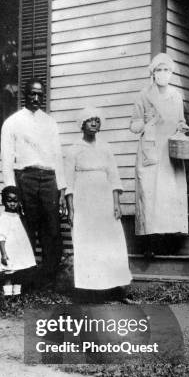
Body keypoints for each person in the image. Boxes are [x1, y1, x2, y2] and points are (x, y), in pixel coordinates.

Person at [0, 78, 66, 288]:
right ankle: (25, 280)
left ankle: (49, 278)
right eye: (32, 94)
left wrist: (62, 189)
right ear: (25, 95)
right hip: (25, 178)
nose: (36, 98)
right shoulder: (12, 122)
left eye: (40, 95)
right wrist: (11, 188)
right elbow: (7, 159)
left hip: (49, 179)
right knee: (26, 227)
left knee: (52, 228)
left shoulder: (50, 123)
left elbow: (58, 157)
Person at [65, 106, 131, 293]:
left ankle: (112, 287)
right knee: (88, 242)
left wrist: (116, 203)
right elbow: (69, 183)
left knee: (109, 241)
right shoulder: (74, 150)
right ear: (82, 124)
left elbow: (114, 177)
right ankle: (89, 289)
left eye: (97, 120)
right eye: (89, 120)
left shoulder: (106, 148)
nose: (94, 123)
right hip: (84, 202)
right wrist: (71, 209)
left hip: (105, 201)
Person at [129, 53, 188, 254]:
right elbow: (134, 125)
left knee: (170, 195)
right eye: (158, 70)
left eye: (166, 70)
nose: (162, 73)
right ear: (153, 73)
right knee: (150, 194)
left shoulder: (177, 96)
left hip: (170, 150)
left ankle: (171, 243)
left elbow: (181, 121)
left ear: (171, 73)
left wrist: (182, 129)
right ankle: (150, 244)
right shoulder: (144, 95)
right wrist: (147, 122)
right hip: (151, 150)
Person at [0, 186, 36, 296]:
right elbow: (1, 238)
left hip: (18, 250)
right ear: (4, 201)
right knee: (8, 274)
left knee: (18, 272)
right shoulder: (3, 218)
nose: (12, 204)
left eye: (15, 201)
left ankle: (16, 295)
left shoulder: (17, 216)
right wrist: (3, 254)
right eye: (9, 201)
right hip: (9, 251)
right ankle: (8, 295)